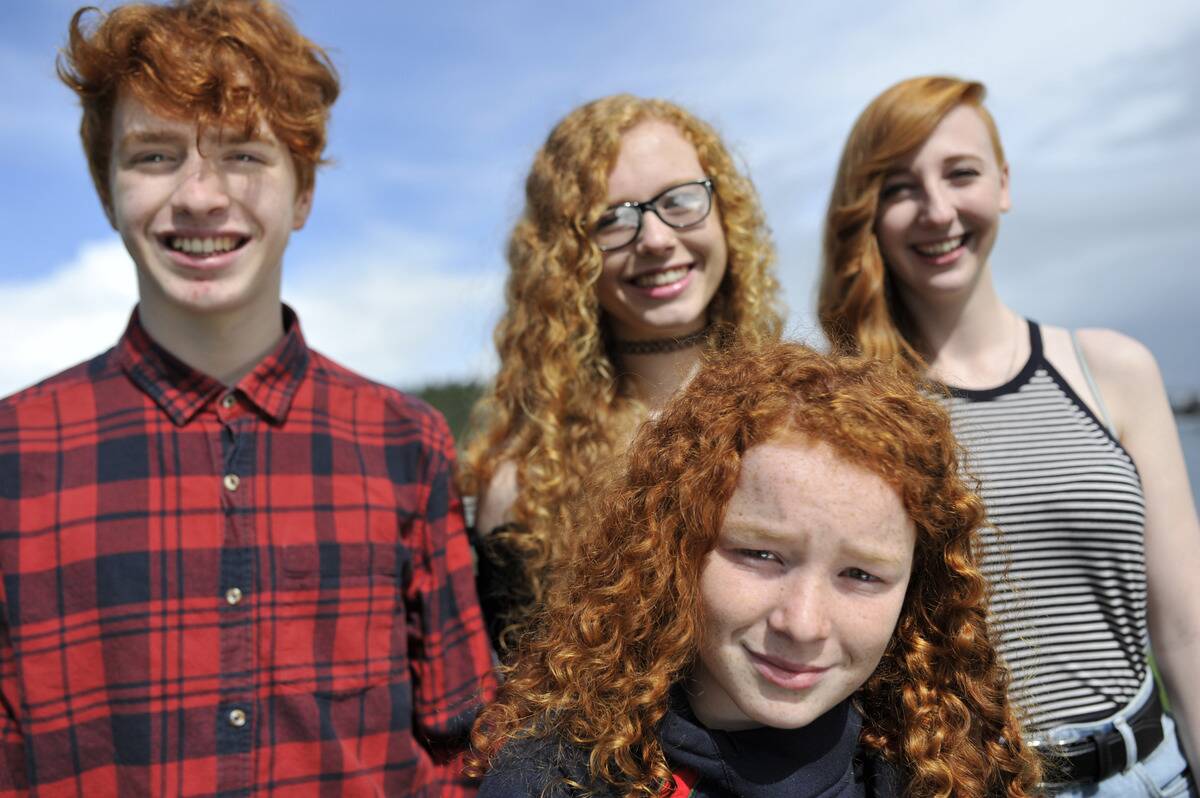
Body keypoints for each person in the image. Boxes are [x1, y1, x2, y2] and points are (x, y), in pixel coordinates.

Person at [0, 1, 495, 794]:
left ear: (302, 195)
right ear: (106, 190)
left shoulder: (406, 443)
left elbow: (465, 748)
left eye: (243, 154)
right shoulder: (13, 455)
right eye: (155, 155)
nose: (200, 195)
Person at [818, 75, 1200, 795]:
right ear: (867, 212)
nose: (937, 210)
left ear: (1004, 184)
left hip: (1153, 775)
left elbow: (1186, 631)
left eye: (960, 173)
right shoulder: (855, 410)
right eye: (900, 188)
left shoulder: (1112, 371)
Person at [467, 340, 1043, 798]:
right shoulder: (555, 779)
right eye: (761, 555)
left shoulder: (949, 771)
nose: (803, 623)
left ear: (916, 594)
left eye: (861, 575)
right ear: (675, 549)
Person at [464, 95, 783, 652]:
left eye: (680, 200)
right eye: (611, 219)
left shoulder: (807, 420)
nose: (655, 239)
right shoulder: (530, 485)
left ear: (725, 213)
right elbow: (528, 689)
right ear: (565, 258)